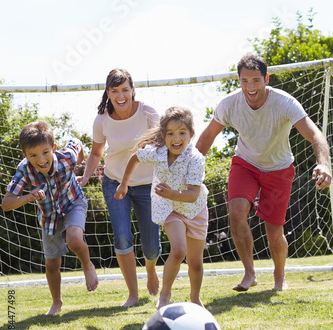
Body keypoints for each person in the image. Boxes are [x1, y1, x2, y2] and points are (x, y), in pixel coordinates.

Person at [196, 54, 332, 292]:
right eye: (245, 81)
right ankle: (250, 274)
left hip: (279, 169)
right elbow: (208, 136)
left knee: (273, 229)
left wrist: (324, 164)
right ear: (238, 80)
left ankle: (279, 277)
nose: (250, 87)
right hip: (245, 164)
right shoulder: (229, 104)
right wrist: (190, 169)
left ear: (266, 78)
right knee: (236, 211)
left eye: (256, 80)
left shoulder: (285, 103)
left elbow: (315, 135)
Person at [78, 68, 161, 307]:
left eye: (125, 89)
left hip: (146, 184)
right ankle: (133, 294)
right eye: (115, 90)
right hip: (114, 182)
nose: (121, 95)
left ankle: (152, 269)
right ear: (108, 93)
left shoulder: (148, 113)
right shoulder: (102, 120)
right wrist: (85, 176)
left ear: (133, 90)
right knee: (122, 237)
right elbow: (96, 152)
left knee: (152, 247)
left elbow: (162, 145)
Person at [114, 106, 209, 309]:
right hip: (169, 208)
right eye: (171, 133)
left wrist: (173, 193)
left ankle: (195, 298)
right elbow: (135, 158)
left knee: (195, 262)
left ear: (191, 135)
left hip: (195, 209)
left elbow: (193, 195)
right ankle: (164, 296)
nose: (176, 138)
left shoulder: (196, 159)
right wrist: (124, 184)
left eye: (182, 133)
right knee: (178, 251)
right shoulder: (157, 153)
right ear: (163, 136)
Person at [1, 120, 98, 315]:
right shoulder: (24, 169)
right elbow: (6, 204)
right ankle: (56, 302)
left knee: (74, 239)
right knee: (52, 264)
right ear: (25, 155)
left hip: (73, 202)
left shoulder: (66, 158)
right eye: (33, 155)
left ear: (53, 148)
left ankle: (87, 264)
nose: (42, 160)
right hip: (49, 215)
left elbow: (76, 142)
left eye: (46, 152)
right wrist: (29, 196)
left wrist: (80, 166)